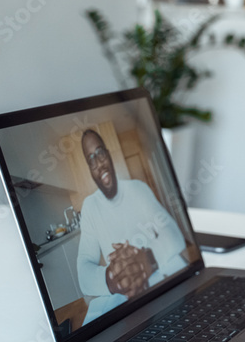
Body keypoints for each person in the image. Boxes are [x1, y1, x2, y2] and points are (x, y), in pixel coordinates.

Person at [76, 128, 188, 321]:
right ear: (89, 169)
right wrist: (114, 278)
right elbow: (84, 270)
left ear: (109, 155)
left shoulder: (138, 189)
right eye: (91, 160)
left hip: (159, 293)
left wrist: (147, 260)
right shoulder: (90, 207)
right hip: (125, 308)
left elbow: (173, 233)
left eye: (100, 153)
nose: (99, 163)